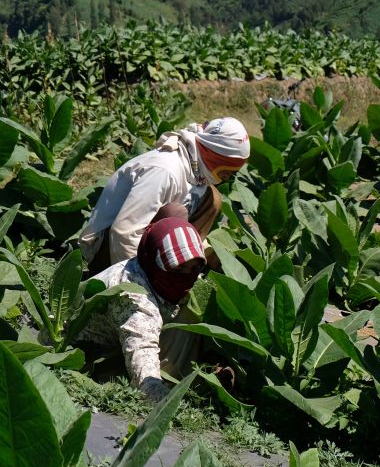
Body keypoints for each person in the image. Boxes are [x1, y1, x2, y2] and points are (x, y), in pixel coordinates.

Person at [78, 117, 250, 272]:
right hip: (108, 250)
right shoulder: (164, 171)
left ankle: (186, 260)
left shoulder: (196, 167)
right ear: (214, 155)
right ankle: (166, 272)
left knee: (212, 199)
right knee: (174, 213)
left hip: (144, 242)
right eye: (227, 169)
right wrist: (136, 286)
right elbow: (124, 232)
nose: (229, 177)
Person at [73, 215, 208, 401]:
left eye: (194, 269)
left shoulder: (146, 267)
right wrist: (165, 404)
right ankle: (177, 387)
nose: (186, 278)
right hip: (82, 355)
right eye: (177, 269)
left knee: (191, 309)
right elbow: (144, 367)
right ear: (153, 261)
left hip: (115, 340)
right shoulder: (135, 302)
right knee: (187, 319)